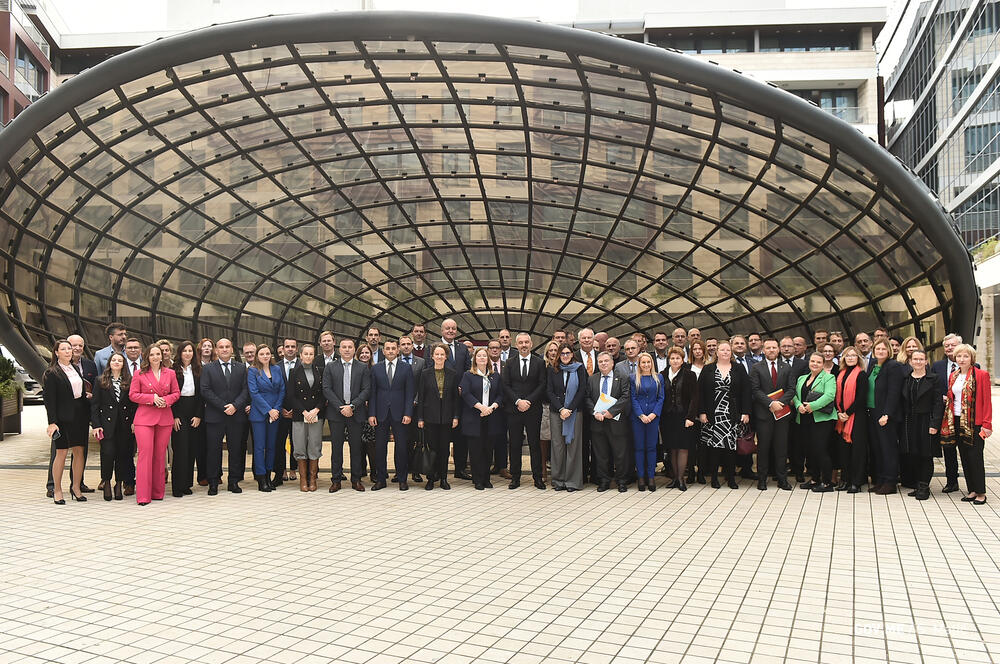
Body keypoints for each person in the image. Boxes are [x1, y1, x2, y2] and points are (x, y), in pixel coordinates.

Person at [46, 334, 97, 497]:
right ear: (56, 353)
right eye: (64, 349)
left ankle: (76, 487)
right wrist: (52, 422)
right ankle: (57, 490)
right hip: (62, 417)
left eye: (69, 348)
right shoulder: (51, 372)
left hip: (80, 415)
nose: (68, 351)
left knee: (79, 451)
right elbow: (49, 400)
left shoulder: (75, 368)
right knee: (61, 452)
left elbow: (79, 391)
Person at [941, 344, 992, 505]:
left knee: (975, 457)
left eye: (965, 356)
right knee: (964, 456)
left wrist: (987, 424)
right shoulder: (954, 375)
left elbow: (986, 401)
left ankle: (981, 492)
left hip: (974, 422)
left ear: (972, 358)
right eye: (959, 356)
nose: (962, 359)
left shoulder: (981, 375)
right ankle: (972, 490)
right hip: (956, 420)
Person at [129, 344, 180, 505]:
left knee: (160, 456)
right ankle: (143, 495)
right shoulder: (139, 374)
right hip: (144, 419)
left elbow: (176, 393)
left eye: (158, 354)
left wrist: (166, 400)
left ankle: (158, 492)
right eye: (152, 354)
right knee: (145, 455)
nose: (156, 357)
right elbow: (133, 395)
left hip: (164, 417)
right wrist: (151, 399)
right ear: (147, 357)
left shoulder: (170, 373)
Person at [201, 338, 250, 495]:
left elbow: (246, 390)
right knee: (213, 450)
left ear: (232, 349)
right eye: (221, 347)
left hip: (236, 415)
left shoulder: (241, 368)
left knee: (235, 450)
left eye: (227, 346)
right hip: (215, 416)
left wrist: (235, 405)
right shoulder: (208, 368)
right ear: (216, 350)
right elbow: (205, 390)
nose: (224, 349)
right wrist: (223, 406)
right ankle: (213, 482)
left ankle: (233, 481)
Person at [698, 341, 751, 489]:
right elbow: (700, 392)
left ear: (731, 352)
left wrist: (746, 412)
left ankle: (731, 478)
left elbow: (746, 391)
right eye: (722, 350)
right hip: (712, 414)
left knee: (730, 448)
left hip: (731, 413)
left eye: (728, 350)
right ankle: (714, 478)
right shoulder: (708, 369)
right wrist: (701, 412)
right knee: (714, 448)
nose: (725, 352)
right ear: (717, 352)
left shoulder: (739, 368)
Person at [323, 339, 370, 492]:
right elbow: (326, 389)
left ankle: (356, 480)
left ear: (354, 349)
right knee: (336, 448)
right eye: (344, 347)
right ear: (340, 349)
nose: (347, 349)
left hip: (356, 413)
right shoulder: (331, 367)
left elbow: (366, 389)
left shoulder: (362, 367)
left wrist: (352, 406)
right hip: (336, 414)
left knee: (356, 448)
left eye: (350, 347)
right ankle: (336, 480)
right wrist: (341, 407)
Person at [368, 339, 415, 491]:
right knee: (380, 448)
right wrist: (372, 414)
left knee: (401, 448)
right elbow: (372, 393)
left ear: (398, 350)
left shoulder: (406, 368)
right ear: (383, 351)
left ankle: (402, 479)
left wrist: (408, 413)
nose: (390, 351)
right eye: (387, 348)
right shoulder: (376, 368)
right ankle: (381, 479)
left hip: (400, 414)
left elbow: (410, 393)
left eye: (393, 348)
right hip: (380, 414)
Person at [502, 333, 547, 490]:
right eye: (520, 342)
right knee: (514, 444)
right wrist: (518, 401)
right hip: (514, 409)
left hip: (533, 409)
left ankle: (537, 478)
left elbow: (542, 384)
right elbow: (506, 385)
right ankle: (515, 477)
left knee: (534, 444)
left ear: (531, 344)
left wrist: (528, 401)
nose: (524, 345)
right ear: (516, 345)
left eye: (526, 342)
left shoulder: (539, 362)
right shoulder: (509, 363)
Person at [748, 339, 794, 491]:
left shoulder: (786, 367)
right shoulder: (756, 367)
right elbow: (755, 390)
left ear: (778, 349)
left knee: (781, 448)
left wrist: (780, 403)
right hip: (764, 414)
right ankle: (762, 479)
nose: (771, 350)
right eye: (768, 348)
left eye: (774, 347)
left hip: (782, 414)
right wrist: (770, 403)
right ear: (763, 350)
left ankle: (782, 480)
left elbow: (791, 389)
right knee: (763, 448)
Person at [900, 350, 943, 501]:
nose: (918, 362)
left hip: (927, 420)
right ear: (910, 362)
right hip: (910, 421)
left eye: (921, 359)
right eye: (915, 359)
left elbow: (938, 403)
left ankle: (924, 487)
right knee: (914, 454)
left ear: (926, 361)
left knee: (926, 454)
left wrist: (935, 423)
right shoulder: (906, 379)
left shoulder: (934, 379)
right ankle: (918, 484)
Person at [91, 351, 134, 501]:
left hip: (124, 424)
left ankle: (119, 483)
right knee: (107, 453)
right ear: (109, 363)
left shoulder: (129, 381)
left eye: (120, 360)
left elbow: (133, 405)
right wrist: (96, 425)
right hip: (106, 425)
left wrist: (134, 422)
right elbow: (95, 405)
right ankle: (107, 481)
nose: (116, 362)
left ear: (123, 364)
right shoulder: (100, 380)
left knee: (122, 454)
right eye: (114, 360)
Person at [416, 343, 460, 490]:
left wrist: (455, 416)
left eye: (442, 354)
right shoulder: (425, 373)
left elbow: (455, 398)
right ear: (432, 356)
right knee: (432, 449)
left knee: (444, 450)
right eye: (437, 354)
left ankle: (443, 478)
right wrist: (420, 418)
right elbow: (421, 397)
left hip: (447, 418)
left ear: (446, 357)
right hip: (430, 417)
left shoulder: (453, 374)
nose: (439, 356)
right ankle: (431, 479)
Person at [460, 347, 503, 490]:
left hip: (491, 417)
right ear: (475, 359)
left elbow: (500, 394)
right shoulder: (468, 375)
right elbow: (465, 394)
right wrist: (481, 407)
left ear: (488, 359)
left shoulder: (495, 376)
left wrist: (492, 407)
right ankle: (477, 479)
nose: (482, 358)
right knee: (476, 450)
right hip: (474, 417)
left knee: (488, 450)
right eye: (479, 356)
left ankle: (486, 479)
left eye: (485, 356)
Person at [546, 343, 588, 492]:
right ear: (558, 355)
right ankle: (558, 481)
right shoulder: (552, 369)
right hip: (557, 412)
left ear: (572, 354)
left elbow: (582, 390)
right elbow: (549, 391)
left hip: (575, 412)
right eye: (562, 353)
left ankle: (572, 482)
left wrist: (570, 409)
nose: (565, 356)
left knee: (573, 446)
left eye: (567, 353)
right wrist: (561, 409)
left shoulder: (579, 368)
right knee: (557, 446)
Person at [793, 352, 837, 493]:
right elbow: (794, 394)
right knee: (810, 451)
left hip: (821, 419)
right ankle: (814, 479)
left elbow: (829, 395)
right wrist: (798, 405)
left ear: (823, 364)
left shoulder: (829, 377)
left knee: (821, 450)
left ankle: (827, 482)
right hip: (804, 418)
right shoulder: (802, 378)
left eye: (818, 362)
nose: (815, 364)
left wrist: (812, 406)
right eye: (812, 361)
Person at [587, 352, 631, 492]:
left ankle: (622, 481)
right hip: (598, 422)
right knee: (601, 455)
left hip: (616, 422)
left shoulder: (622, 377)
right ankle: (604, 481)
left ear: (612, 363)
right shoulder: (592, 379)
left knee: (620, 454)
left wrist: (612, 411)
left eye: (606, 361)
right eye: (600, 361)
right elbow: (587, 398)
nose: (604, 364)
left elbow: (626, 396)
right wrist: (595, 412)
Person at [247, 344, 286, 492]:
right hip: (259, 414)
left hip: (275, 414)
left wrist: (276, 409)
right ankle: (261, 478)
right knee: (259, 447)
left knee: (271, 446)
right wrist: (268, 410)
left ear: (271, 355)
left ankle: (269, 476)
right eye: (262, 354)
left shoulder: (276, 369)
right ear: (257, 356)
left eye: (267, 353)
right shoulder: (252, 371)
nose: (265, 356)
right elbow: (254, 393)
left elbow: (282, 390)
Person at [287, 344, 325, 492]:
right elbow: (291, 396)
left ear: (314, 356)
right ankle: (303, 479)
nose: (308, 356)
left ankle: (312, 479)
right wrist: (304, 412)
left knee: (314, 445)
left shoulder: (320, 371)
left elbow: (324, 393)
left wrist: (316, 410)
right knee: (300, 446)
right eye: (306, 354)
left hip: (316, 414)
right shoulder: (294, 372)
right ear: (300, 355)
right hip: (300, 415)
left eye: (311, 354)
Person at [659, 347, 698, 491]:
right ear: (669, 360)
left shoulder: (689, 374)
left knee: (682, 447)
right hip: (667, 417)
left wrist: (690, 417)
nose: (675, 361)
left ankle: (681, 479)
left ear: (683, 360)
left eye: (678, 358)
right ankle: (674, 478)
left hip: (684, 417)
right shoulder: (662, 374)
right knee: (672, 447)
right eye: (672, 358)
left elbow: (694, 398)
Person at [868, 339, 904, 495]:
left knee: (888, 449)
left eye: (883, 349)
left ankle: (890, 482)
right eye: (878, 349)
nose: (880, 351)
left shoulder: (893, 366)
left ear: (889, 351)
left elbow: (894, 393)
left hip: (885, 415)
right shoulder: (873, 366)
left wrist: (887, 414)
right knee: (878, 448)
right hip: (872, 412)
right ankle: (880, 480)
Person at [171, 341, 204, 498]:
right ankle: (177, 485)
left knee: (191, 448)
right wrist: (174, 415)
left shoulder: (198, 369)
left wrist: (198, 415)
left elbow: (201, 395)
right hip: (179, 410)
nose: (187, 353)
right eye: (184, 351)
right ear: (180, 353)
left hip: (194, 410)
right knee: (180, 449)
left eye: (190, 351)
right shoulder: (173, 370)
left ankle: (186, 484)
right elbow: (170, 393)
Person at [834, 346, 869, 493]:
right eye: (847, 355)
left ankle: (856, 482)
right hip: (841, 417)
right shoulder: (840, 374)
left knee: (857, 451)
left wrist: (847, 413)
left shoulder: (861, 375)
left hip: (857, 417)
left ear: (858, 358)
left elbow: (861, 398)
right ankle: (845, 480)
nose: (850, 358)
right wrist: (839, 412)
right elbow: (836, 395)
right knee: (844, 451)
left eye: (853, 355)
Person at [931, 333, 963, 493]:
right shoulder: (937, 366)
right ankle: (952, 481)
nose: (950, 348)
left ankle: (973, 482)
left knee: (966, 450)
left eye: (953, 345)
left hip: (963, 415)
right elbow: (931, 387)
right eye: (947, 346)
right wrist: (940, 397)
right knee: (949, 449)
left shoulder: (972, 366)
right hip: (943, 415)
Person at [631, 352, 664, 491]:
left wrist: (653, 414)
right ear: (639, 364)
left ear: (652, 363)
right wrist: (640, 415)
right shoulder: (633, 378)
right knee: (639, 448)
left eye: (648, 362)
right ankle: (641, 477)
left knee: (651, 447)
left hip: (653, 418)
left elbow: (661, 398)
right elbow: (633, 398)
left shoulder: (658, 377)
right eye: (643, 362)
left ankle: (651, 477)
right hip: (638, 418)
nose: (646, 365)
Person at [274, 337, 300, 486]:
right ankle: (281, 470)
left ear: (297, 349)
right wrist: (280, 408)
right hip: (280, 410)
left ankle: (293, 469)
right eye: (287, 346)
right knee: (280, 442)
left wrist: (296, 409)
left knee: (296, 441)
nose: (290, 349)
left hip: (298, 411)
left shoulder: (303, 365)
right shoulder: (275, 367)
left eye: (293, 346)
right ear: (283, 349)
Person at [355, 343, 378, 483]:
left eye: (367, 353)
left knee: (371, 444)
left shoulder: (375, 370)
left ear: (371, 355)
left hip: (371, 411)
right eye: (362, 353)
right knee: (358, 443)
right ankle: (360, 470)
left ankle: (374, 472)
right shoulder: (354, 369)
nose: (364, 355)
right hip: (357, 410)